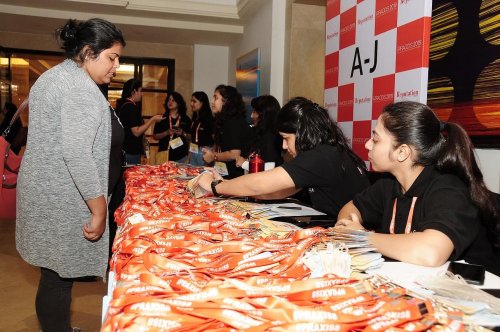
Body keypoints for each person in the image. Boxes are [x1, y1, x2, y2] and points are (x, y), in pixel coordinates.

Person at [16, 18, 126, 332]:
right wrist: (98, 207)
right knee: (58, 277)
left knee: (52, 273)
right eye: (112, 57)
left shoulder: (54, 76)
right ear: (89, 52)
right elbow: (77, 154)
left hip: (45, 190)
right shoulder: (82, 90)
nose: (116, 65)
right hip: (62, 196)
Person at [336, 101, 500, 275]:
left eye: (376, 139)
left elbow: (430, 253)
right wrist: (349, 225)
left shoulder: (448, 189)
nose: (368, 144)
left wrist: (362, 238)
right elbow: (349, 208)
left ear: (402, 152)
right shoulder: (389, 184)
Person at [195, 97, 370, 219]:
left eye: (287, 139)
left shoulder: (321, 156)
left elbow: (259, 185)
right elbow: (279, 190)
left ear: (304, 134)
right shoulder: (328, 151)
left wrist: (216, 186)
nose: (285, 146)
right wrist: (227, 186)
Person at [202, 84, 252, 179]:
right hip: (225, 172)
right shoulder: (223, 121)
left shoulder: (234, 122)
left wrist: (213, 156)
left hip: (237, 176)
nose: (212, 101)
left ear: (226, 101)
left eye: (216, 98)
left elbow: (234, 154)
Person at [116, 78, 164, 165]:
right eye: (140, 91)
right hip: (130, 152)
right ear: (134, 91)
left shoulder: (123, 105)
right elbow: (136, 132)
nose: (142, 94)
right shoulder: (130, 107)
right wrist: (152, 119)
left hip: (125, 150)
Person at [236, 95, 283, 168]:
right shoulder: (258, 133)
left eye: (255, 112)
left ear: (264, 115)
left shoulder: (270, 138)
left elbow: (268, 169)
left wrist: (244, 164)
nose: (252, 115)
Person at [153, 91, 192, 164]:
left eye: (173, 100)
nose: (170, 102)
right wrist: (166, 132)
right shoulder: (162, 118)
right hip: (164, 155)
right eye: (169, 100)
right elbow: (155, 136)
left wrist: (183, 133)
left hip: (181, 157)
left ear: (179, 103)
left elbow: (191, 138)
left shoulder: (185, 119)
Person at [187, 91, 214, 166]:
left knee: (203, 175)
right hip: (193, 151)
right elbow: (193, 139)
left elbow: (216, 140)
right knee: (193, 175)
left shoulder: (209, 119)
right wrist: (189, 156)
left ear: (202, 103)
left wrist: (212, 155)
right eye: (191, 101)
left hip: (204, 151)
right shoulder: (194, 118)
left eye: (194, 101)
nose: (191, 104)